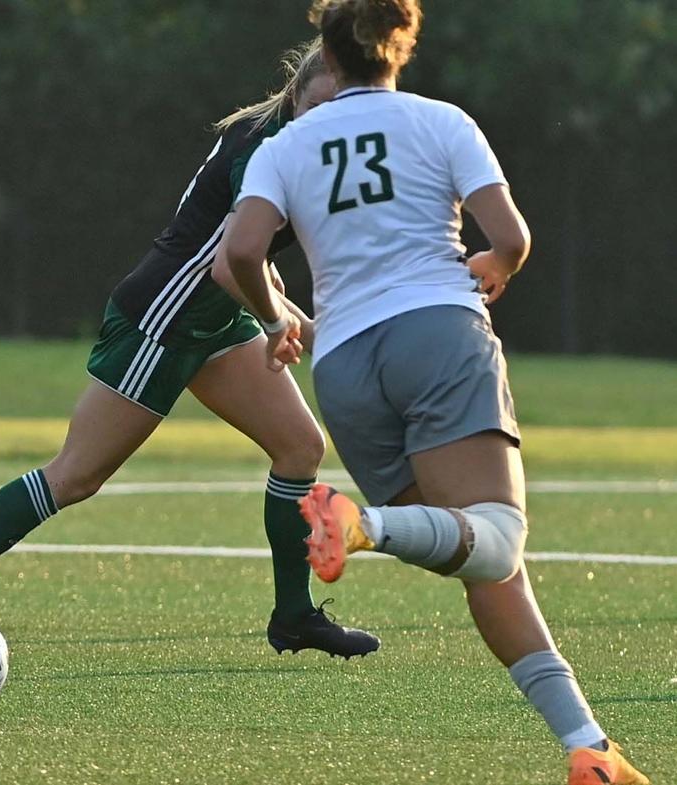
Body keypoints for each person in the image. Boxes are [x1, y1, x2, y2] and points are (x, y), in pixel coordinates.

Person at [224, 2, 649, 782]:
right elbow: (511, 235)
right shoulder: (443, 120)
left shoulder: (285, 144)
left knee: (483, 558)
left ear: (328, 52)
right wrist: (500, 266)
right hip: (437, 336)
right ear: (402, 48)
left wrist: (277, 318)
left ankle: (589, 749)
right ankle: (362, 524)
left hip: (346, 366)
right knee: (497, 535)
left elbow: (241, 252)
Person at [0, 40, 381, 660]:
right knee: (75, 477)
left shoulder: (299, 145)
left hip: (213, 320)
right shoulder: (270, 146)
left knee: (300, 448)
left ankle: (293, 617)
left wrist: (295, 319)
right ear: (297, 94)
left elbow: (246, 257)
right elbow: (234, 267)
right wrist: (286, 326)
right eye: (317, 105)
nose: (324, 121)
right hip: (162, 322)